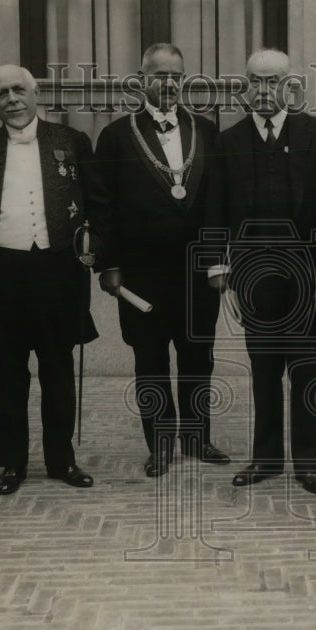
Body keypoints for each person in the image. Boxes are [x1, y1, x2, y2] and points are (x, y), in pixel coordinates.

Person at [87, 43, 230, 477]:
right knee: (150, 359)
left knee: (197, 357)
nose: (167, 83)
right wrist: (108, 264)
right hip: (141, 274)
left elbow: (217, 203)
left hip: (196, 272)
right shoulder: (114, 136)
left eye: (176, 76)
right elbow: (101, 204)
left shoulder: (207, 131)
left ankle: (198, 437)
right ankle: (160, 443)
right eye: (159, 75)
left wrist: (217, 261)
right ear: (141, 79)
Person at [205, 48, 316, 495]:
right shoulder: (229, 141)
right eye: (255, 82)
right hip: (254, 279)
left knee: (306, 371)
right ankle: (266, 458)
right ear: (245, 87)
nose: (263, 90)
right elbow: (215, 207)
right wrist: (219, 267)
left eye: (273, 81)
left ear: (290, 87)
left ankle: (308, 462)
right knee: (262, 370)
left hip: (306, 280)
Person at [0, 64, 97, 495]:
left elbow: (96, 203)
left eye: (19, 89)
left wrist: (93, 248)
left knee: (58, 368)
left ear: (35, 93)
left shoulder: (71, 141)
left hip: (58, 268)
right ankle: (12, 463)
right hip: (0, 273)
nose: (12, 98)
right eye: (2, 93)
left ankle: (62, 460)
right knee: (8, 372)